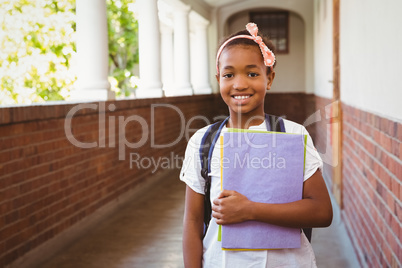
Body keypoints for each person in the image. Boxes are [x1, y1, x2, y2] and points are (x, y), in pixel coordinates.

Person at [180, 22, 333, 268]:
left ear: (269, 78)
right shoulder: (203, 142)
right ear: (219, 79)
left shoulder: (293, 135)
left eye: (252, 73)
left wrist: (250, 210)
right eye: (229, 75)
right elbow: (193, 221)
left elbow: (322, 212)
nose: (240, 84)